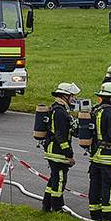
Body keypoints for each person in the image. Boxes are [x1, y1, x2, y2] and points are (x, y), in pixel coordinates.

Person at [81, 81, 111, 221]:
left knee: (95, 185)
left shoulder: (95, 110)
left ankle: (95, 214)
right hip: (108, 156)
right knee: (109, 186)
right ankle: (110, 217)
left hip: (95, 156)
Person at [33, 84, 80, 213]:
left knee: (54, 179)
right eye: (73, 96)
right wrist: (69, 154)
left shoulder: (59, 109)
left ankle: (46, 206)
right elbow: (60, 135)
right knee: (59, 180)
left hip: (53, 149)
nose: (74, 99)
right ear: (65, 95)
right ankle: (58, 208)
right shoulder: (59, 111)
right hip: (57, 151)